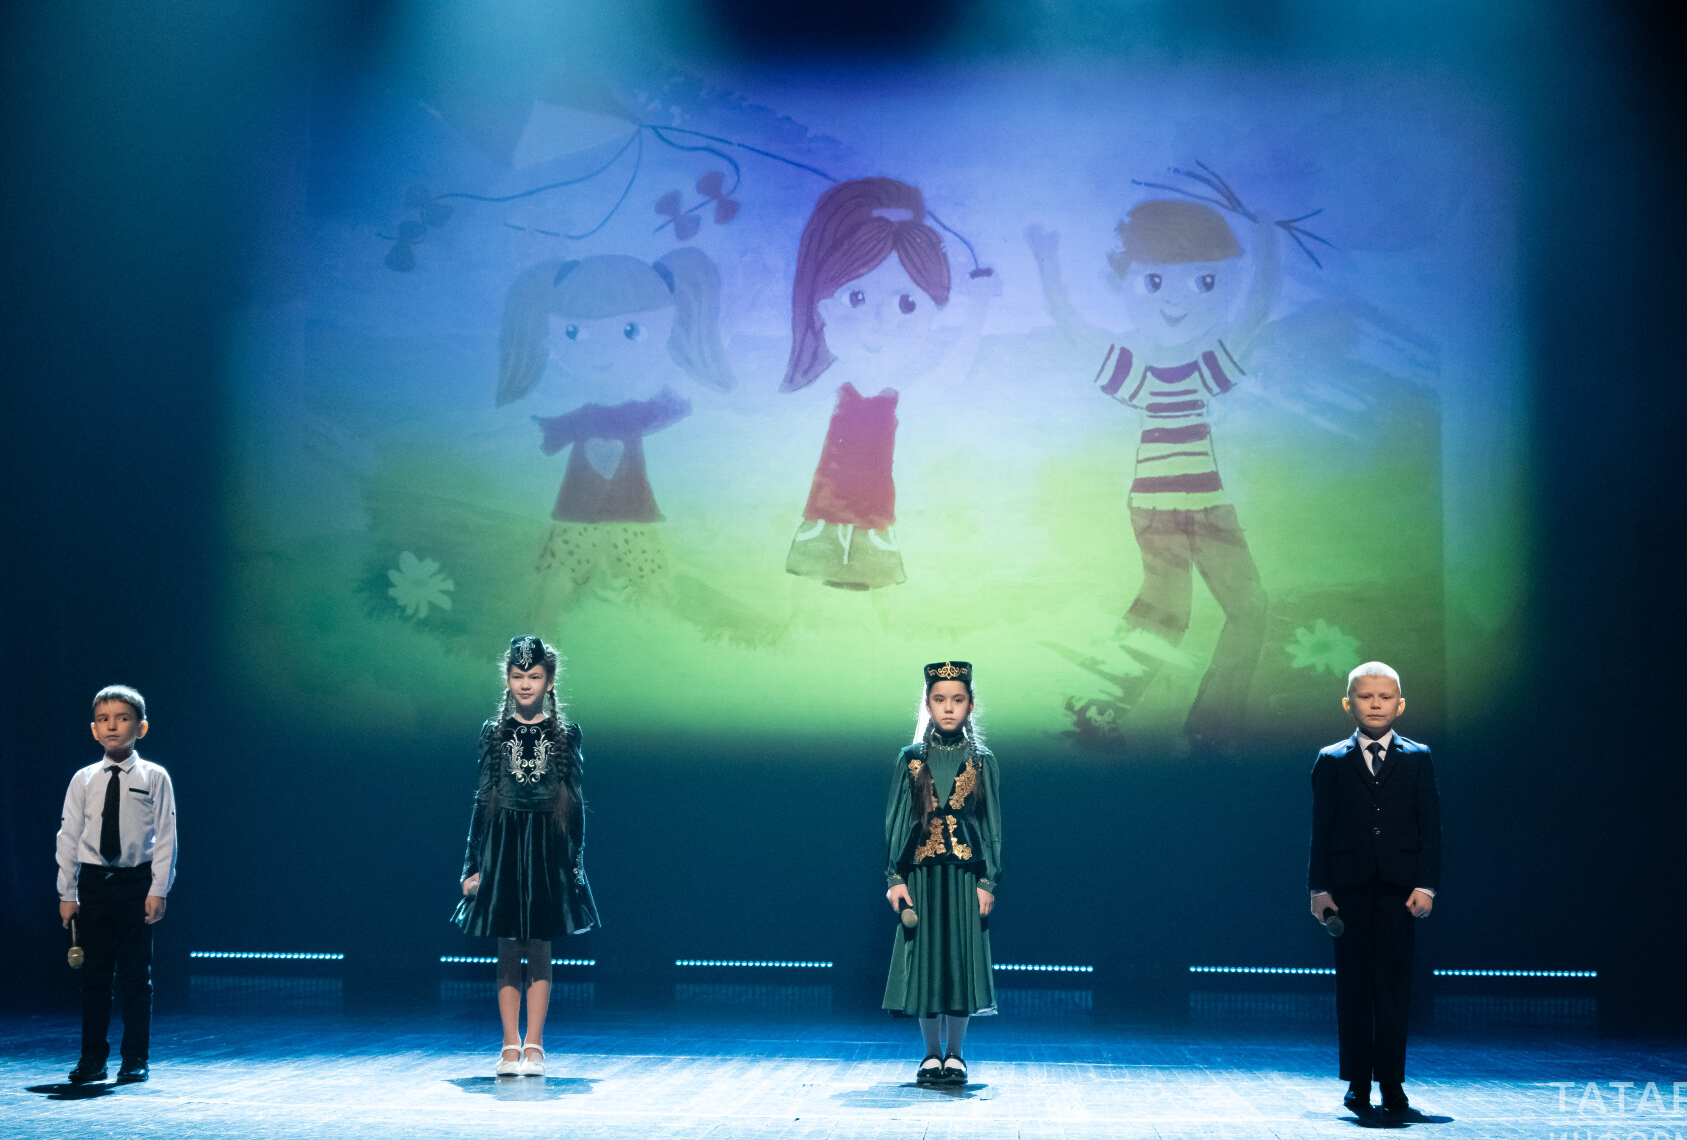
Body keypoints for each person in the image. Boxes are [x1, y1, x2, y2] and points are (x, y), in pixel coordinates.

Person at [1024, 191, 1277, 749]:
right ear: (1124, 280)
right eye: (1156, 280)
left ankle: (1210, 727)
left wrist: (1265, 242)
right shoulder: (1138, 375)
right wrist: (1047, 264)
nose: (1177, 299)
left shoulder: (1206, 370)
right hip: (1157, 508)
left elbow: (1256, 311)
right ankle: (1095, 707)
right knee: (1168, 614)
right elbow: (1072, 326)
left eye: (1204, 281)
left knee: (1249, 608)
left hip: (1209, 506)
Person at [496, 250, 734, 633]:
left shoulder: (619, 415)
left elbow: (666, 410)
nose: (601, 353)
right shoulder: (603, 415)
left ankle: (654, 630)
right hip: (596, 508)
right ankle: (546, 627)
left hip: (618, 508)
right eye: (574, 332)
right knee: (568, 571)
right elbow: (552, 432)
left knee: (638, 574)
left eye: (630, 331)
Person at [781, 177, 995, 590]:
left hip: (873, 516)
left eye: (906, 304)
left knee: (870, 589)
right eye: (856, 298)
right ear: (825, 306)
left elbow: (950, 375)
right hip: (824, 514)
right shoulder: (834, 387)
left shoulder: (897, 394)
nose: (877, 323)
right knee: (813, 585)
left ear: (932, 316)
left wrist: (978, 311)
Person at [453, 635, 599, 1075]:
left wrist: (575, 867)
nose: (525, 684)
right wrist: (471, 866)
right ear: (507, 680)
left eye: (534, 676)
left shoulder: (566, 734)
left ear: (549, 682)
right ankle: (508, 1044)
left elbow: (574, 805)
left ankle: (535, 1044)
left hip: (546, 848)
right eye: (518, 676)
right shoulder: (494, 733)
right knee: (507, 944)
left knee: (538, 945)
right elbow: (482, 801)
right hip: (503, 845)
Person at [1308, 662, 1441, 1120]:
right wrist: (1318, 888)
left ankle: (1391, 1082)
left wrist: (1426, 884)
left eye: (1385, 697)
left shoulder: (1418, 757)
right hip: (1348, 888)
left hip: (1399, 889)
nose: (1376, 704)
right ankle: (1357, 1082)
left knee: (1393, 985)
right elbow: (1321, 829)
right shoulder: (1331, 760)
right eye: (1366, 696)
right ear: (1349, 704)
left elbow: (1430, 828)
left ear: (1400, 705)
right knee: (1353, 985)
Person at [882, 661, 1003, 1084]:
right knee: (926, 961)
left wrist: (988, 880)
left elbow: (991, 825)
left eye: (957, 699)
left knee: (959, 961)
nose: (948, 708)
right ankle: (931, 1054)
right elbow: (897, 820)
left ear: (970, 705)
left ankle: (956, 1054)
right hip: (922, 876)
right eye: (939, 699)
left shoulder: (982, 761)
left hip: (964, 877)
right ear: (928, 705)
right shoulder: (911, 759)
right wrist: (894, 877)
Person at [54, 686, 177, 1084]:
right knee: (95, 976)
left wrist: (158, 888)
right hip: (93, 884)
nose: (112, 726)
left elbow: (166, 836)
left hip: (135, 883)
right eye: (104, 720)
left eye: (122, 719)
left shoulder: (154, 776)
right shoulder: (84, 779)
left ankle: (135, 1057)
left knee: (135, 976)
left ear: (141, 727)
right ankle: (92, 1058)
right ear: (93, 729)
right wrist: (67, 892)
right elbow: (69, 836)